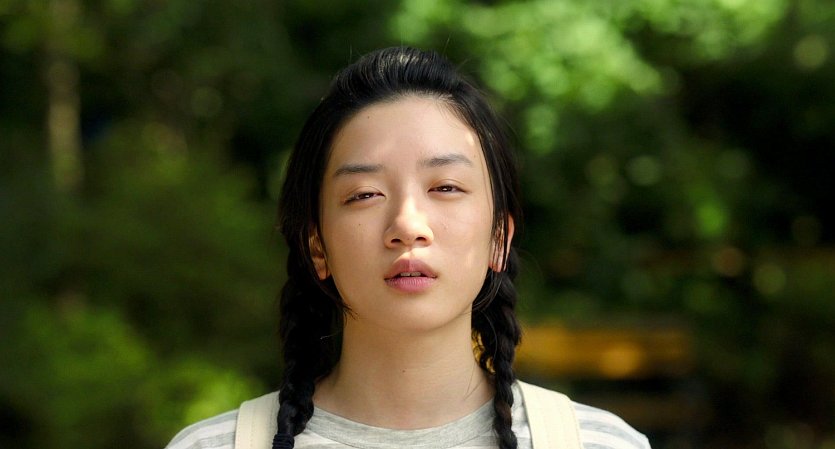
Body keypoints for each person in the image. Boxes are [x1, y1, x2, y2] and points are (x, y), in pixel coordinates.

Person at [165, 46, 650, 449]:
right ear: (318, 247)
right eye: (365, 195)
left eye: (445, 187)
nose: (407, 225)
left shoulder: (600, 443)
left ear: (499, 238)